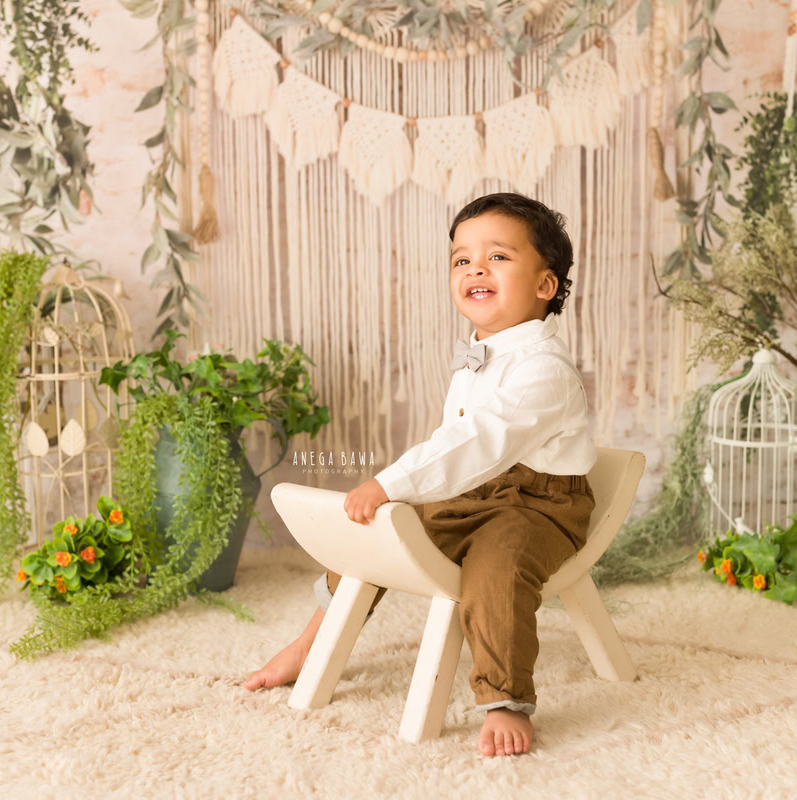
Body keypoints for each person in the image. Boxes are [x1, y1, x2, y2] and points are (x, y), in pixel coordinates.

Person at [244, 192, 597, 758]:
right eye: (462, 259)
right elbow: (455, 455)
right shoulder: (480, 354)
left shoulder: (545, 371)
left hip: (539, 506)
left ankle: (505, 698)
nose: (476, 268)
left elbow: (474, 443)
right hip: (473, 491)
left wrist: (390, 480)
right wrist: (395, 498)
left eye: (498, 257)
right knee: (375, 532)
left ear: (545, 286)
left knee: (497, 568)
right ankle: (313, 643)